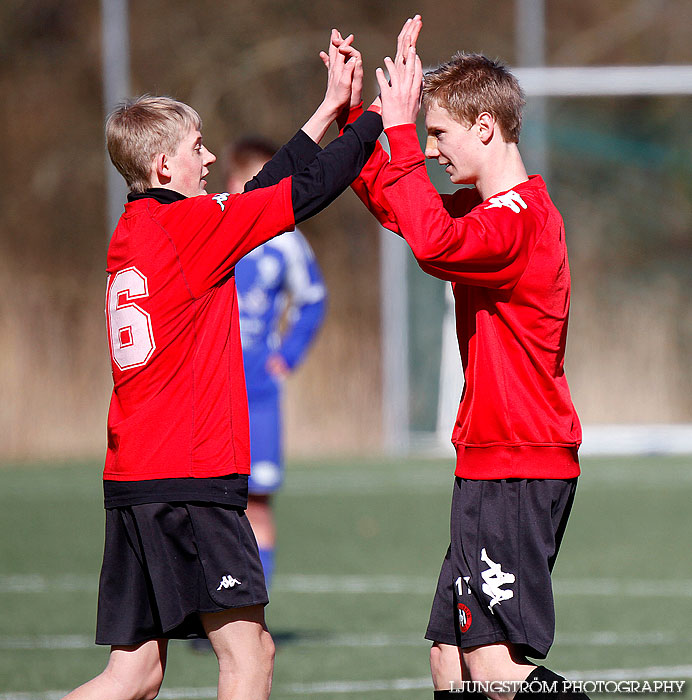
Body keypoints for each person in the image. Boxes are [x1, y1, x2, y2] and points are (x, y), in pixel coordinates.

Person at [62, 31, 376, 700]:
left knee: (135, 674)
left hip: (135, 475)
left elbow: (258, 195)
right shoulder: (191, 229)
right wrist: (382, 117)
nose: (208, 158)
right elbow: (306, 191)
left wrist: (325, 111)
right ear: (164, 164)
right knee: (251, 655)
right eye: (196, 148)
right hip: (190, 476)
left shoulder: (141, 228)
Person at [334, 16, 589, 700]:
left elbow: (433, 244)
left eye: (438, 134)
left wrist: (395, 131)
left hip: (517, 463)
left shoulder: (517, 221)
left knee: (494, 670)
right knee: (450, 658)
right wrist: (358, 116)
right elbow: (402, 207)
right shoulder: (488, 211)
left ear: (484, 127)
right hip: (491, 462)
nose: (433, 150)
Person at [226, 138, 327, 590]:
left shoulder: (285, 238)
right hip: (210, 389)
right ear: (235, 179)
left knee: (257, 503)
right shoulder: (211, 222)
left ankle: (253, 617)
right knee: (207, 506)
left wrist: (285, 356)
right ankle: (210, 613)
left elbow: (313, 298)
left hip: (258, 392)